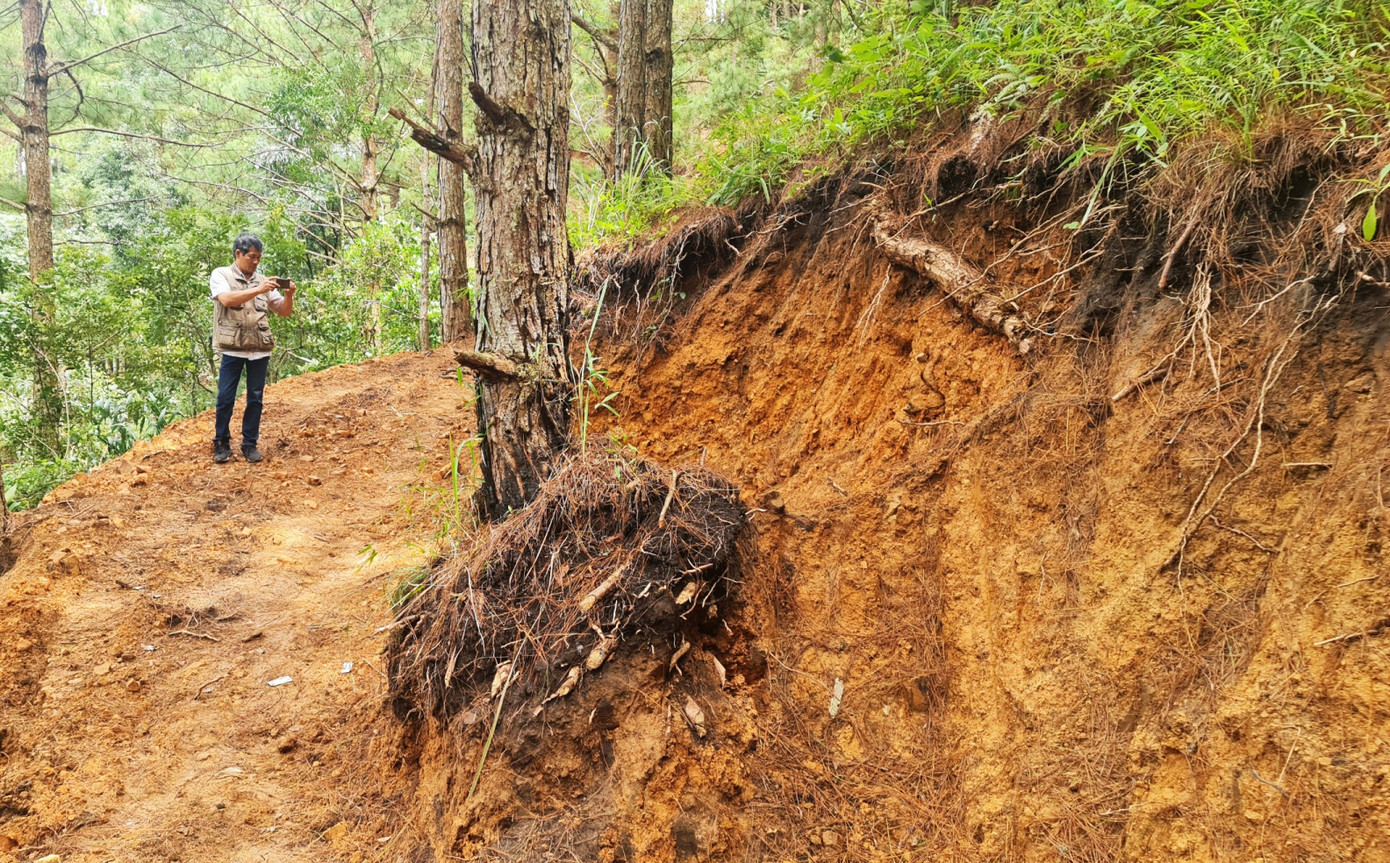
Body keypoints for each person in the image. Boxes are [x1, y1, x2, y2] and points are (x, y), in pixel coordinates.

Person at [210, 234, 296, 464]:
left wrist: (289, 295)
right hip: (232, 348)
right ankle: (221, 442)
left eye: (259, 257)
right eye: (251, 257)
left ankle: (250, 444)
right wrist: (259, 290)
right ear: (238, 254)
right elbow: (226, 299)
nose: (256, 262)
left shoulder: (263, 281)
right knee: (225, 397)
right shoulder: (221, 275)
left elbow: (284, 311)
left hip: (259, 348)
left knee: (255, 398)